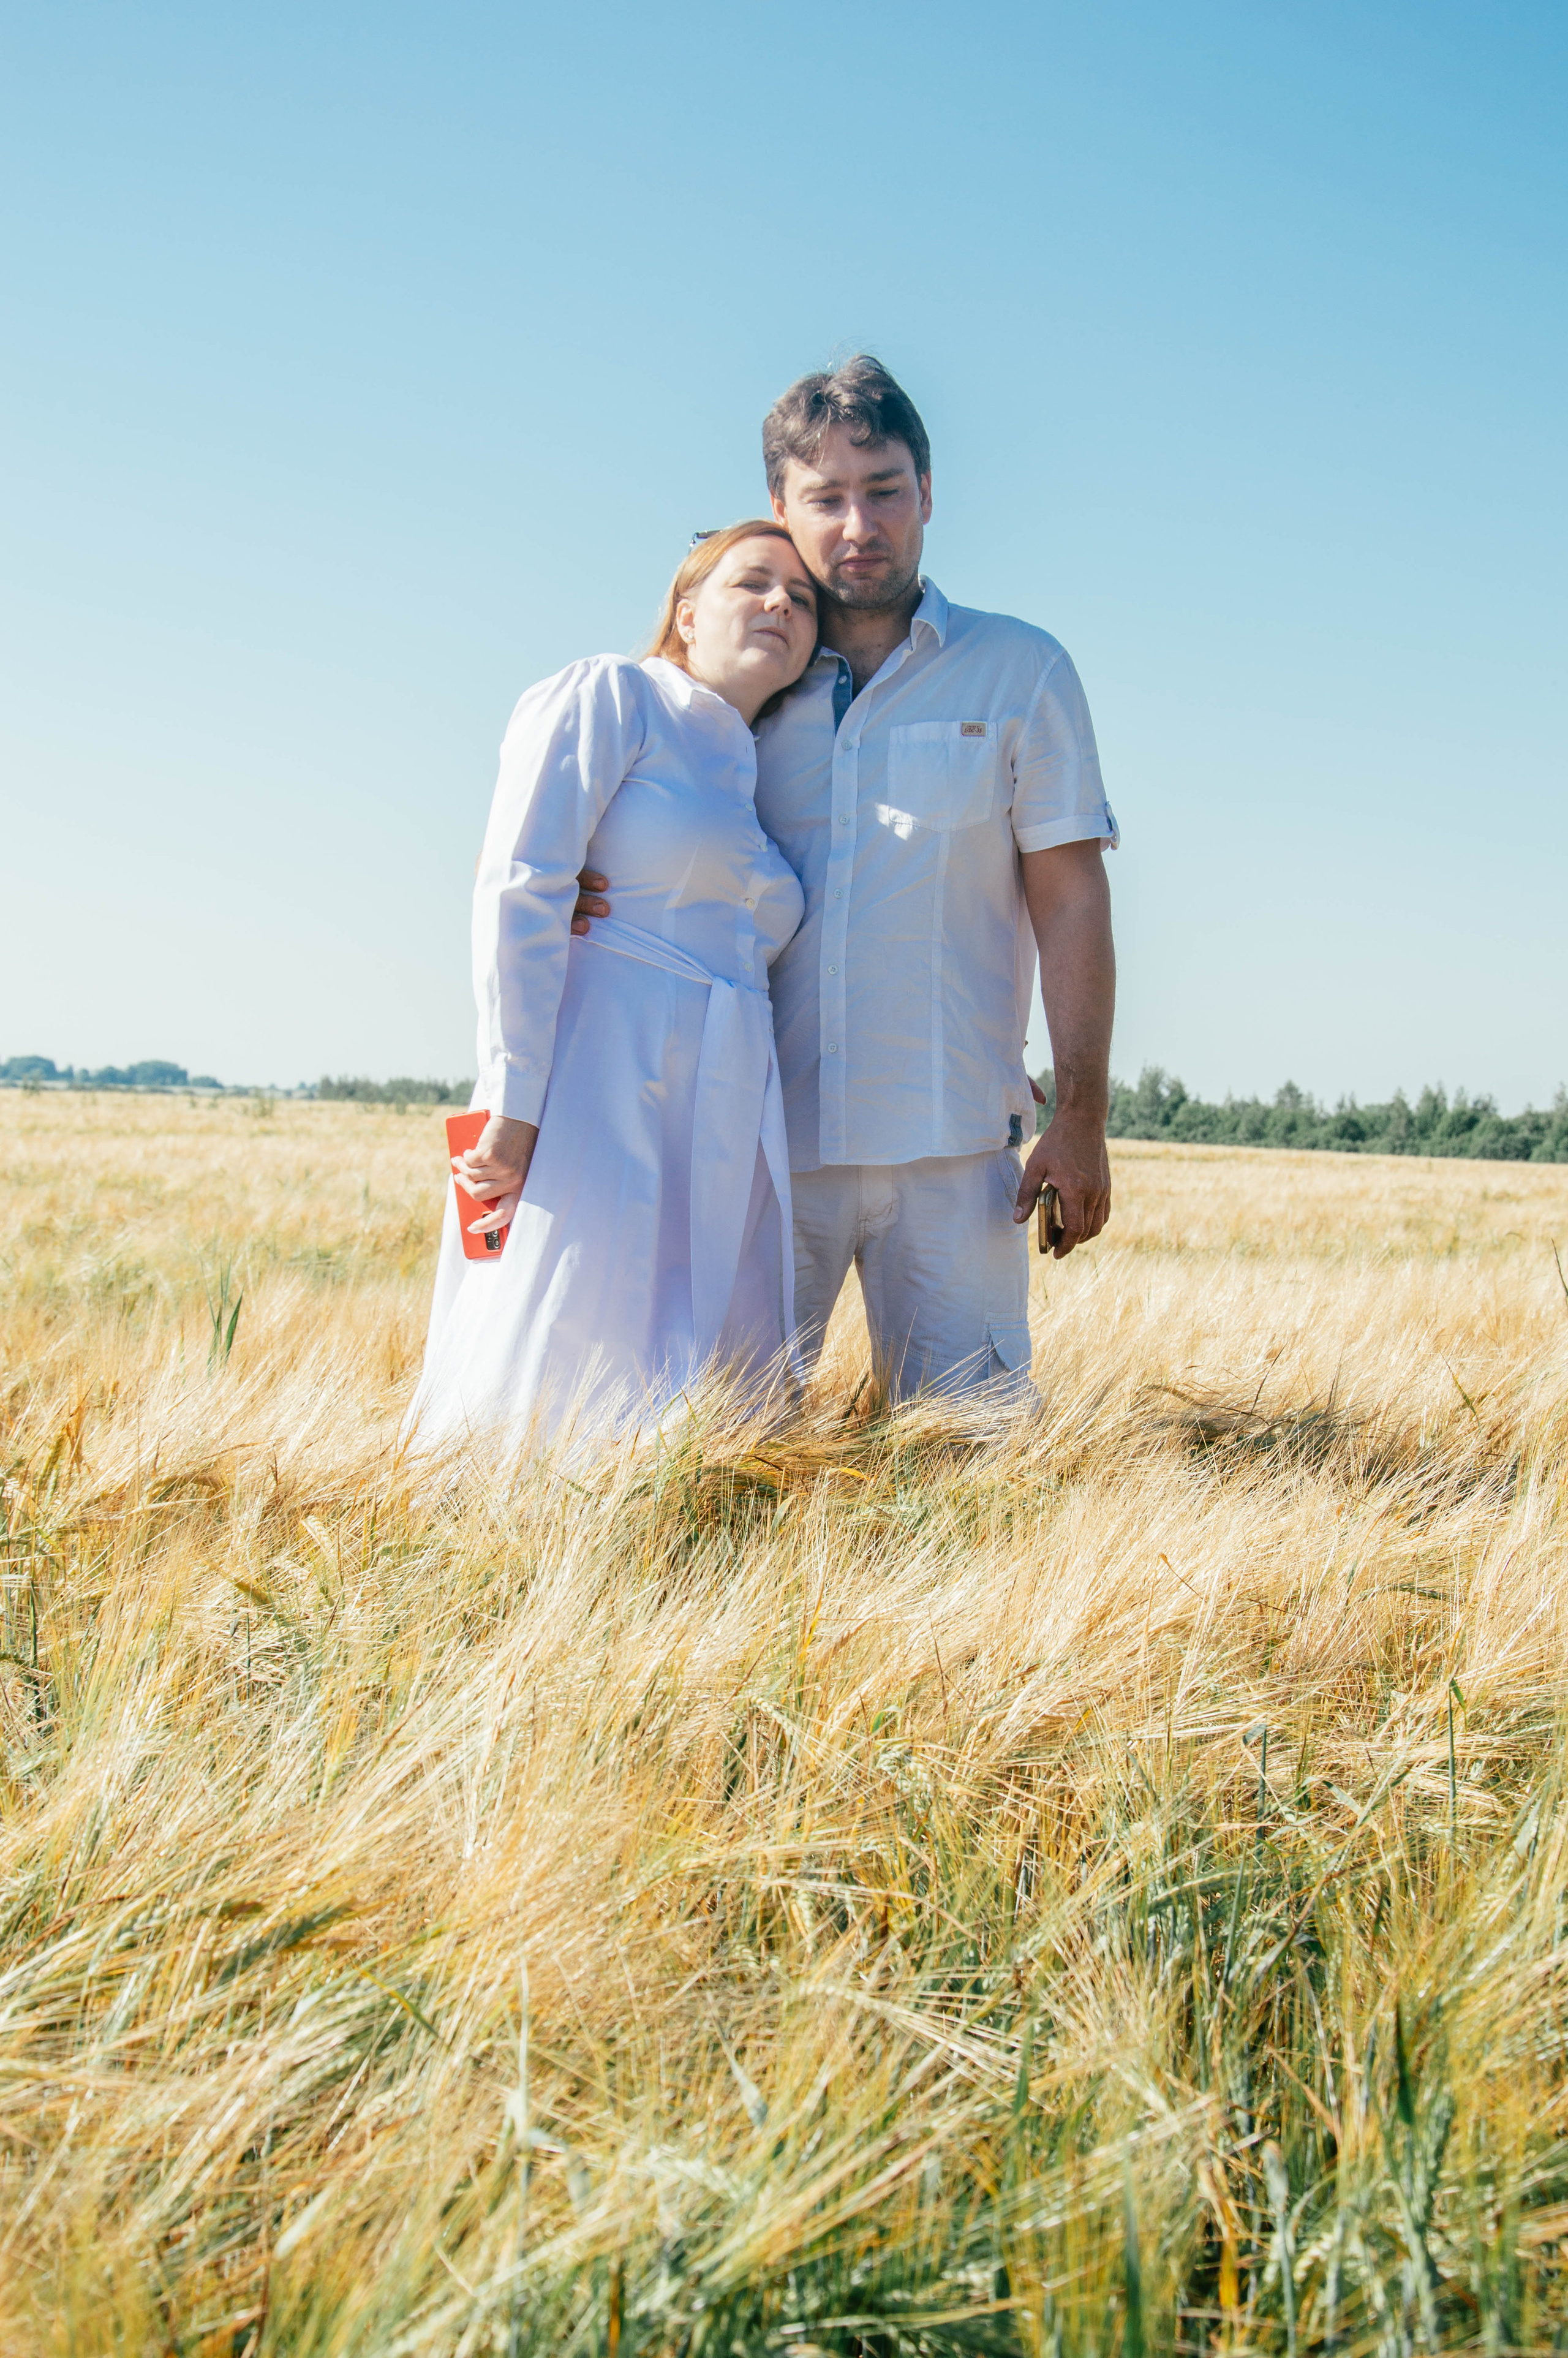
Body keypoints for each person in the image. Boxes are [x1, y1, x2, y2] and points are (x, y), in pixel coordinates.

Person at [575, 358, 1118, 1403]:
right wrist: (578, 887)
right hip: (759, 1144)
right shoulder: (737, 677)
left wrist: (1082, 1114)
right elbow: (609, 811)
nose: (858, 523)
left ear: (928, 496)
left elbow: (1070, 897)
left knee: (974, 1473)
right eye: (826, 498)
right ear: (781, 507)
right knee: (726, 1449)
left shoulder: (1023, 671)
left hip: (955, 1150)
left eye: (884, 490)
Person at [409, 522, 818, 1448]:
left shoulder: (757, 778)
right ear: (685, 610)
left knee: (704, 1399)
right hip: (597, 1085)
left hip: (720, 1125)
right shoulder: (615, 694)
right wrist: (514, 1101)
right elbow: (520, 881)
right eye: (753, 583)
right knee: (559, 1359)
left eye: (801, 598)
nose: (781, 605)